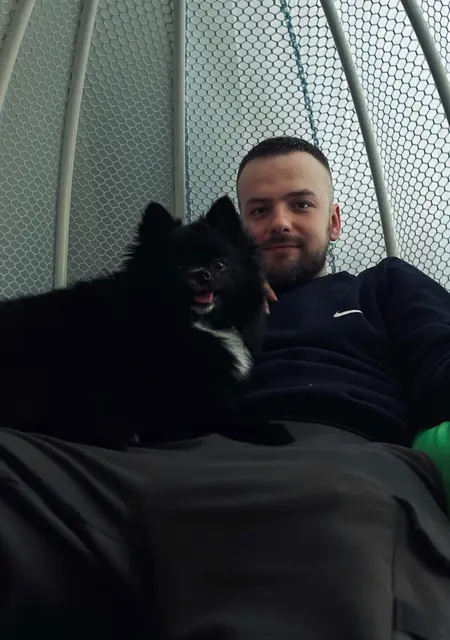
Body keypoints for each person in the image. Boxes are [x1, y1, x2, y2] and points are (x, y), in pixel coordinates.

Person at [2, 136, 450, 639]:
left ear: (334, 221)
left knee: (333, 534)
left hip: (323, 461)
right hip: (141, 458)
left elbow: (440, 355)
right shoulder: (167, 301)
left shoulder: (381, 284)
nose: (279, 222)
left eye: (301, 204)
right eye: (259, 210)